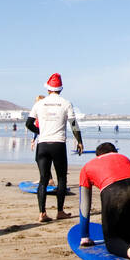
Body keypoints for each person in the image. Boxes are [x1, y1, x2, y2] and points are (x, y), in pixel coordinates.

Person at [26, 73, 83, 222]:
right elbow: (73, 124)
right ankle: (60, 211)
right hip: (58, 145)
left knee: (43, 180)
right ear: (60, 89)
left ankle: (42, 213)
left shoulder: (39, 104)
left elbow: (28, 123)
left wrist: (40, 131)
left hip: (43, 145)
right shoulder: (66, 103)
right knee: (61, 178)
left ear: (48, 89)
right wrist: (79, 141)